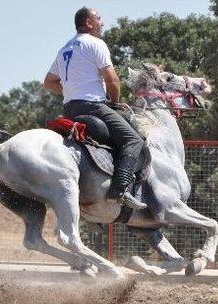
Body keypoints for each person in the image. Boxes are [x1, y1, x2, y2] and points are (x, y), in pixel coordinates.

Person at [43, 7, 147, 210]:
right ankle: (119, 191)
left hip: (70, 109)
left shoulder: (65, 48)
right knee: (133, 140)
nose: (103, 22)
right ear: (89, 23)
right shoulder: (95, 43)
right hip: (94, 107)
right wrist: (115, 104)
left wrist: (72, 89)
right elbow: (113, 80)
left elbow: (48, 82)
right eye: (99, 18)